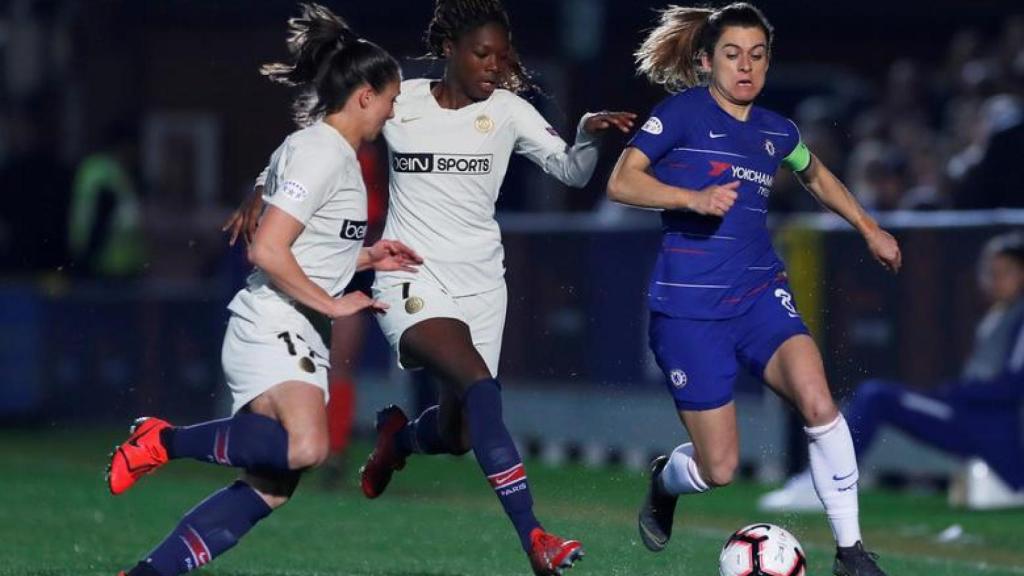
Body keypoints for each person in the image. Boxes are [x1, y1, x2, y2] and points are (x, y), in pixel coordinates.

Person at [225, 2, 634, 573]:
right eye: (481, 53)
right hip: (408, 275)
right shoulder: (403, 101)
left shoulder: (510, 111)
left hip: (482, 283)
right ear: (449, 50)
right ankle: (535, 538)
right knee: (480, 385)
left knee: (461, 432)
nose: (494, 66)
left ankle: (398, 440)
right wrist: (262, 182)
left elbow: (571, 170)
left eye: (502, 55)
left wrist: (587, 133)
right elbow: (325, 138)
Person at [106, 6, 419, 575]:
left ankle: (148, 573)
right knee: (307, 448)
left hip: (295, 328)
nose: (394, 111)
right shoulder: (321, 152)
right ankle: (163, 440)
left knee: (273, 486)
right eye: (393, 98)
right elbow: (266, 250)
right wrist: (331, 302)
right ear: (366, 95)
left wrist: (367, 256)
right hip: (273, 322)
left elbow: (305, 246)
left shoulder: (333, 155)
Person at [604, 4, 901, 576]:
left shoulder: (775, 131)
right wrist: (692, 199)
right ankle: (666, 482)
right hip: (688, 312)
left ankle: (851, 553)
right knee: (719, 469)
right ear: (707, 61)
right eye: (733, 55)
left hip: (760, 295)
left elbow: (813, 172)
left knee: (819, 401)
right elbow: (622, 181)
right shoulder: (681, 115)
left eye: (757, 56)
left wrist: (868, 228)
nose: (746, 67)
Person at [760, 231, 1024, 511]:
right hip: (973, 417)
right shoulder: (998, 315)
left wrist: (957, 392)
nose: (993, 280)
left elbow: (1016, 385)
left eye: (1004, 272)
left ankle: (830, 483)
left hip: (989, 428)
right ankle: (828, 478)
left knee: (877, 396)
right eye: (990, 272)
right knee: (875, 396)